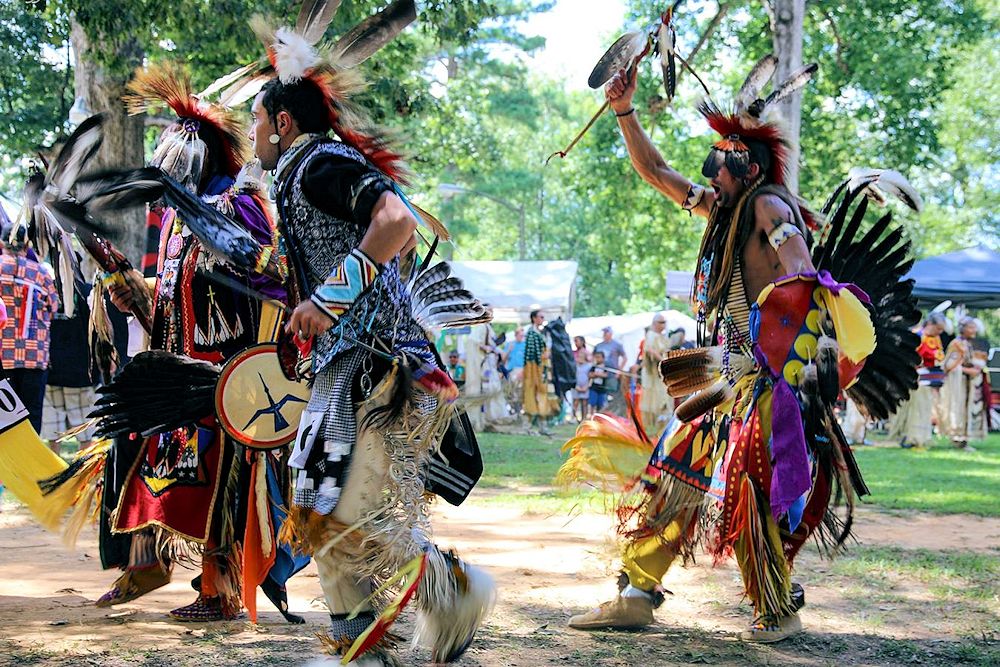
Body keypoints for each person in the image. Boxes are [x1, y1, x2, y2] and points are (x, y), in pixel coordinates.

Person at [561, 55, 918, 643]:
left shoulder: (768, 208)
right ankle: (635, 592)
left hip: (766, 383)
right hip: (723, 374)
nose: (710, 175)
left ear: (746, 167)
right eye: (710, 164)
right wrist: (624, 110)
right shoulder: (722, 210)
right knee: (674, 468)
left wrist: (799, 367)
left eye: (719, 164)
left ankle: (775, 604)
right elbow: (655, 170)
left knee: (753, 491)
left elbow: (803, 282)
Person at [246, 19, 493, 664]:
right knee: (328, 514)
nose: (251, 135)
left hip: (377, 366)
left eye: (256, 120)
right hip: (351, 368)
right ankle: (367, 642)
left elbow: (395, 220)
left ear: (282, 123)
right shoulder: (298, 176)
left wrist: (327, 300)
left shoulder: (319, 162)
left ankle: (453, 595)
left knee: (354, 512)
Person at [73, 63, 306, 624]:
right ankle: (146, 563)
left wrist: (261, 356)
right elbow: (177, 299)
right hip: (180, 365)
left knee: (222, 476)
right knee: (130, 438)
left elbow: (276, 278)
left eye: (178, 147)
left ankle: (220, 588)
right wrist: (135, 290)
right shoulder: (178, 221)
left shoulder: (239, 206)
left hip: (229, 375)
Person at [0, 220, 59, 433]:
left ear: (2, 244)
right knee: (31, 414)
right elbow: (54, 307)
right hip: (34, 356)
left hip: (3, 356)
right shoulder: (42, 274)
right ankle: (32, 464)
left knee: (5, 419)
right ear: (27, 246)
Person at [889, 313, 947, 448]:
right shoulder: (916, 336)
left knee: (924, 407)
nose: (940, 332)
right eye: (938, 328)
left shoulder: (935, 339)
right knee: (913, 407)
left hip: (927, 378)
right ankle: (911, 437)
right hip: (914, 377)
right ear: (930, 324)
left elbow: (938, 355)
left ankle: (920, 436)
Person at [940, 317, 987, 450]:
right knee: (958, 409)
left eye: (974, 327)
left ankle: (963, 440)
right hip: (957, 383)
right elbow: (948, 365)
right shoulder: (956, 344)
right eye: (971, 327)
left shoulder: (967, 343)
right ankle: (958, 439)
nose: (974, 330)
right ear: (963, 329)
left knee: (965, 409)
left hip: (966, 382)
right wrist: (968, 370)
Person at [639, 314, 673, 436]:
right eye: (661, 322)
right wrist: (663, 361)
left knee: (664, 401)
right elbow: (650, 351)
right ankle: (652, 431)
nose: (663, 325)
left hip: (662, 374)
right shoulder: (651, 335)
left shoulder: (662, 336)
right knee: (655, 402)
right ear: (655, 323)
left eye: (664, 322)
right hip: (652, 375)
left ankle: (662, 431)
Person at [524, 309, 553, 434]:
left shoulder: (540, 333)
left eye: (543, 317)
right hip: (533, 370)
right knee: (532, 394)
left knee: (542, 394)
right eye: (541, 316)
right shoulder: (531, 333)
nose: (542, 319)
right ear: (534, 318)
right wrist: (543, 357)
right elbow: (531, 355)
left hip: (541, 369)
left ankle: (542, 426)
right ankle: (528, 426)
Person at [572, 336, 592, 422]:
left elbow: (591, 376)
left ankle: (584, 418)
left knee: (584, 402)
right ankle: (574, 417)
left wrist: (586, 387)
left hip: (585, 385)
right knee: (575, 401)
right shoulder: (575, 365)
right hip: (576, 385)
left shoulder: (589, 365)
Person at [587, 350, 610, 416]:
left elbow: (606, 375)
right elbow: (590, 374)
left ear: (603, 358)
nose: (597, 359)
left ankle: (599, 416)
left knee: (601, 404)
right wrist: (597, 374)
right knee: (592, 403)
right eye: (596, 357)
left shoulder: (606, 367)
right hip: (594, 388)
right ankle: (591, 416)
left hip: (602, 389)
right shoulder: (594, 367)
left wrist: (597, 374)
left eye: (599, 357)